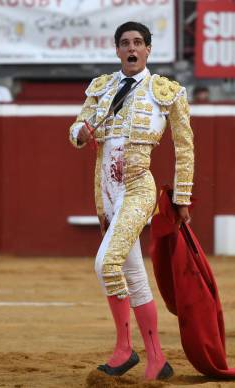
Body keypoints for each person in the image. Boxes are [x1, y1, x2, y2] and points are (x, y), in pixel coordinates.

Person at [68, 21, 194, 380]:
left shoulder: (165, 91)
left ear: (148, 50)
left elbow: (185, 149)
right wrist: (81, 131)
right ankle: (157, 359)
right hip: (106, 192)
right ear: (118, 50)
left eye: (138, 42)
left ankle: (125, 350)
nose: (132, 48)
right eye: (125, 43)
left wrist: (182, 197)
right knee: (133, 274)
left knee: (106, 264)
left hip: (138, 189)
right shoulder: (102, 88)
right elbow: (76, 130)